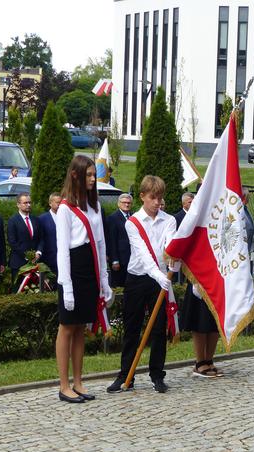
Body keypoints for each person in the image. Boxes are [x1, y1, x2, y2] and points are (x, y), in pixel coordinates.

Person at [107, 175, 177, 395]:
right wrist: (159, 276)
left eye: (160, 198)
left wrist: (173, 262)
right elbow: (144, 255)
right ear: (143, 197)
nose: (157, 202)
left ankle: (157, 375)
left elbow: (169, 247)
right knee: (132, 328)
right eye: (153, 198)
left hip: (161, 280)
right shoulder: (132, 223)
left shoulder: (169, 220)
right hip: (138, 278)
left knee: (158, 329)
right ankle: (125, 375)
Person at [56, 155, 111, 403]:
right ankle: (64, 384)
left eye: (93, 175)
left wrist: (104, 281)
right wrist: (66, 286)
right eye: (88, 175)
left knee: (80, 328)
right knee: (67, 327)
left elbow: (100, 244)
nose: (93, 179)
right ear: (76, 175)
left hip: (90, 268)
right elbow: (62, 249)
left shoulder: (94, 206)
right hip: (73, 268)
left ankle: (78, 381)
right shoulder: (66, 208)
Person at [181, 282, 222, 378]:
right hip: (198, 279)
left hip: (216, 280)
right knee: (200, 319)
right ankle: (200, 362)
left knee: (215, 321)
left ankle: (209, 360)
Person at [7, 193, 41, 291]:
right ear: (18, 204)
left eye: (30, 202)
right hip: (19, 262)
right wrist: (28, 256)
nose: (28, 205)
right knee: (18, 290)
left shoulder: (36, 219)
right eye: (25, 203)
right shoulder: (12, 221)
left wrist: (38, 252)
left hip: (36, 263)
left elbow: (41, 239)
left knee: (35, 290)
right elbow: (12, 242)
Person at [107, 193, 133, 287]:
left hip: (133, 259)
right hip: (120, 260)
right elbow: (111, 240)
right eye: (124, 202)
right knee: (119, 286)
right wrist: (114, 260)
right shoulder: (112, 218)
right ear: (119, 204)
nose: (126, 205)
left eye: (129, 203)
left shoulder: (134, 217)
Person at [37, 192, 62, 277]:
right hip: (49, 259)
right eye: (57, 202)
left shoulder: (65, 217)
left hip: (64, 258)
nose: (60, 205)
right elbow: (41, 239)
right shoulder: (42, 219)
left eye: (61, 202)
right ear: (50, 203)